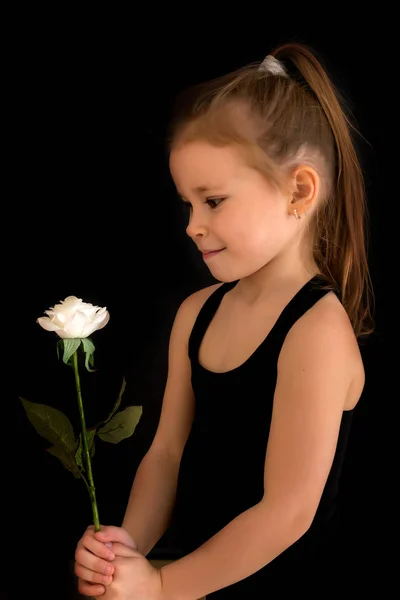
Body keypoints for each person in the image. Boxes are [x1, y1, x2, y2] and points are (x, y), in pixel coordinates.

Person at [73, 42, 375, 598]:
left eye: (212, 201)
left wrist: (163, 587)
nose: (192, 225)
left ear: (298, 190)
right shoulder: (197, 313)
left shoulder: (316, 333)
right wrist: (124, 554)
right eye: (187, 204)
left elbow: (287, 512)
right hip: (188, 577)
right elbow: (166, 455)